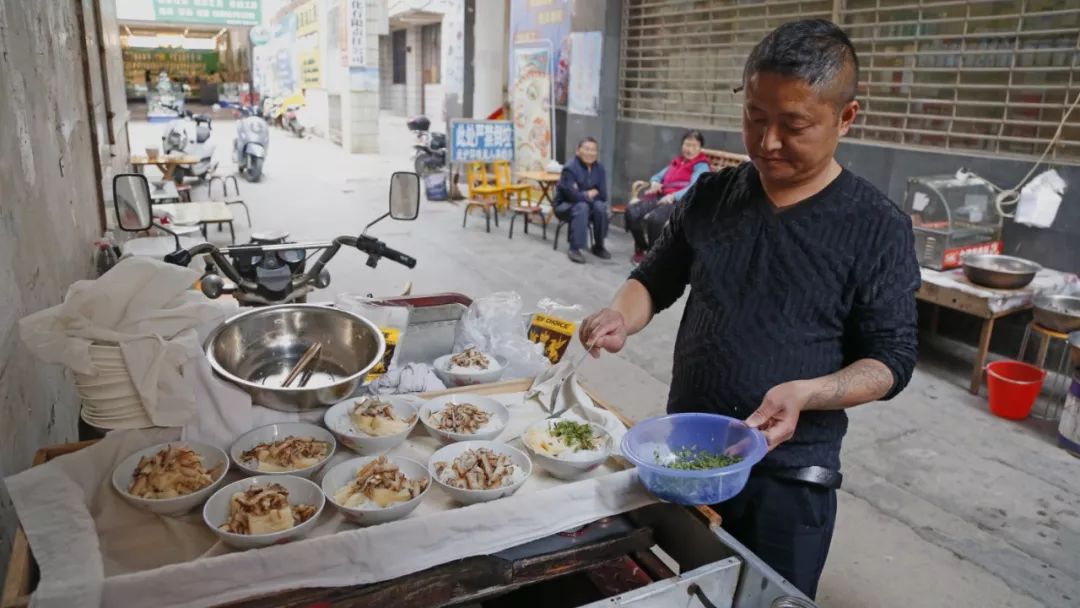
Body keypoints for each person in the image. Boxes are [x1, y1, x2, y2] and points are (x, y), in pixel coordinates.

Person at [578, 19, 919, 599]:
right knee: (684, 591)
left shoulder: (876, 227)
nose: (766, 142)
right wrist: (619, 315)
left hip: (790, 478)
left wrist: (807, 393)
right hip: (687, 462)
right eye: (756, 118)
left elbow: (891, 359)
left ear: (846, 118)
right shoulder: (713, 194)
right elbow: (653, 280)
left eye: (794, 125)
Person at [625, 130, 710, 264]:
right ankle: (642, 246)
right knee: (631, 211)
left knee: (655, 219)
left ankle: (653, 257)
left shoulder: (701, 166)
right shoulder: (677, 162)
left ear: (700, 148)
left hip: (680, 203)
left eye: (694, 146)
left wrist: (673, 196)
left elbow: (695, 187)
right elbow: (658, 176)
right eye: (687, 145)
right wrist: (655, 183)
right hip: (660, 196)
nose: (690, 149)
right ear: (682, 145)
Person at [554, 138, 611, 264]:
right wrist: (588, 193)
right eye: (587, 149)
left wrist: (582, 193)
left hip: (587, 205)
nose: (590, 153)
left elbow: (602, 194)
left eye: (593, 150)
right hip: (565, 207)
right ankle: (574, 248)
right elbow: (571, 196)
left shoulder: (599, 168)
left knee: (600, 207)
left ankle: (599, 245)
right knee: (582, 207)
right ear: (578, 151)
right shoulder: (570, 168)